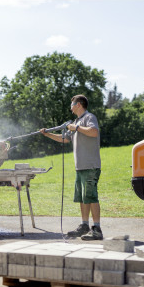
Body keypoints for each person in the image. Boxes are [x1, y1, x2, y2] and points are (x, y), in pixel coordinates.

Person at [40, 94, 102, 240]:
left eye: (72, 104)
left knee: (91, 196)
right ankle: (84, 225)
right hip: (80, 167)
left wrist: (76, 127)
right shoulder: (76, 121)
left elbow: (94, 132)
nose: (71, 107)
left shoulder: (89, 117)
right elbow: (65, 139)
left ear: (78, 104)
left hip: (90, 166)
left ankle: (97, 229)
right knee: (82, 198)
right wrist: (48, 134)